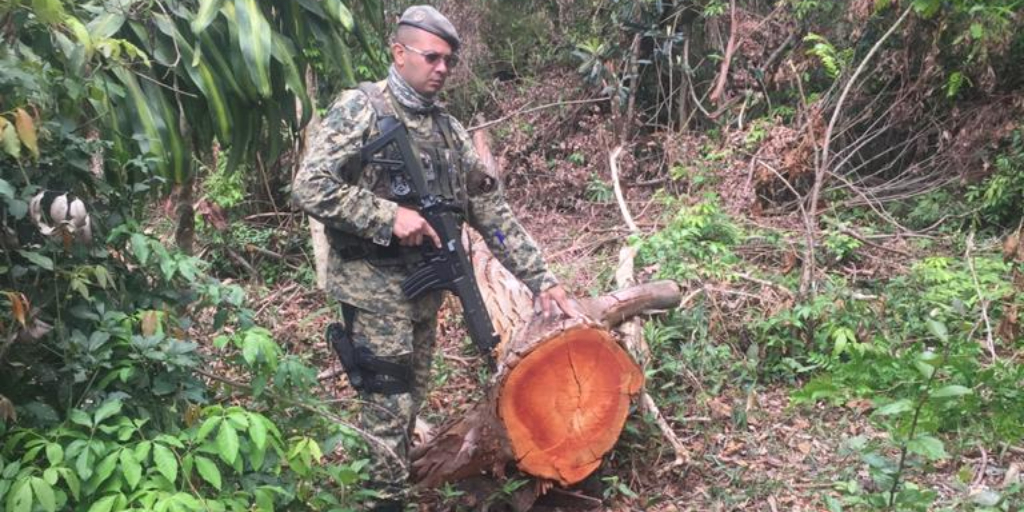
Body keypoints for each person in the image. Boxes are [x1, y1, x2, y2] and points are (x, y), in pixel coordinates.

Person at [292, 5, 580, 510]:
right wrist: (386, 217)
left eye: (448, 60)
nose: (441, 68)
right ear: (399, 53)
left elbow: (493, 213)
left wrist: (542, 279)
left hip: (422, 291)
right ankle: (382, 503)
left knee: (409, 402)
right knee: (387, 404)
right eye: (432, 57)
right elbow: (309, 186)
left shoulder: (448, 131)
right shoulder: (363, 109)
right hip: (372, 286)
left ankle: (391, 485)